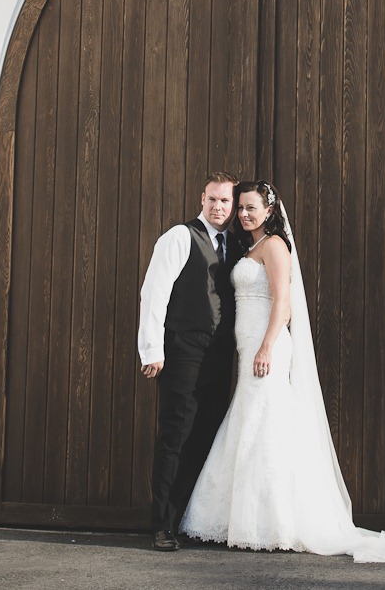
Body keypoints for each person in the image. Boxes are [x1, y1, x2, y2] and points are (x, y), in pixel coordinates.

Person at [181, 180, 385, 564]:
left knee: (264, 422)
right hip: (249, 346)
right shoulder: (253, 247)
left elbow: (284, 302)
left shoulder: (276, 247)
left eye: (252, 208)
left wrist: (266, 346)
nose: (245, 214)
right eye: (242, 208)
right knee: (252, 420)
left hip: (266, 349)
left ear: (269, 210)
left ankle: (272, 522)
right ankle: (245, 519)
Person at [138, 171, 242, 551]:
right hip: (183, 352)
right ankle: (161, 525)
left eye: (225, 201)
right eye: (213, 199)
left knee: (204, 437)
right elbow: (154, 293)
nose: (218, 207)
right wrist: (152, 350)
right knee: (174, 436)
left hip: (218, 358)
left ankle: (184, 519)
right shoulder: (180, 237)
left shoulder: (233, 245)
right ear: (202, 199)